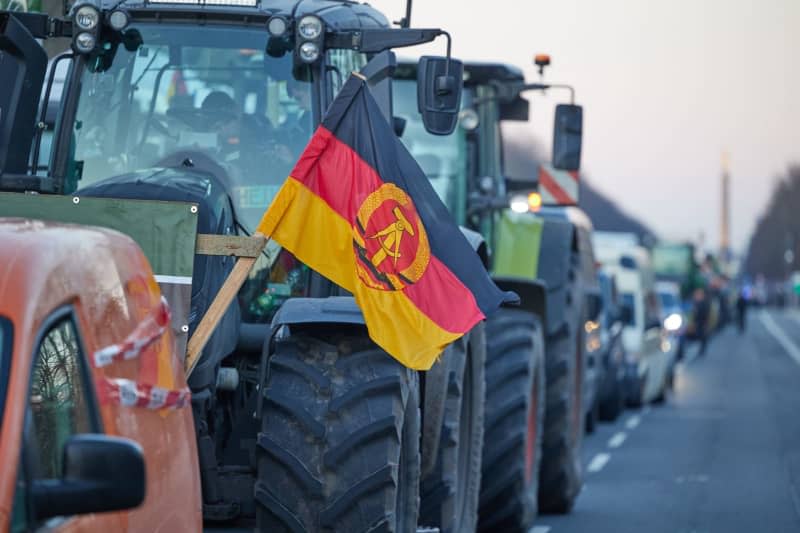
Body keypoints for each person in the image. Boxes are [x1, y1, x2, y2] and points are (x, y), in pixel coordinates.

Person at [692, 287, 711, 355]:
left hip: (702, 322)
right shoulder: (696, 302)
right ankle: (700, 349)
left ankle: (702, 350)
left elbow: (706, 314)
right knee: (700, 336)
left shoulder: (704, 303)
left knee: (703, 336)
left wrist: (706, 323)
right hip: (698, 322)